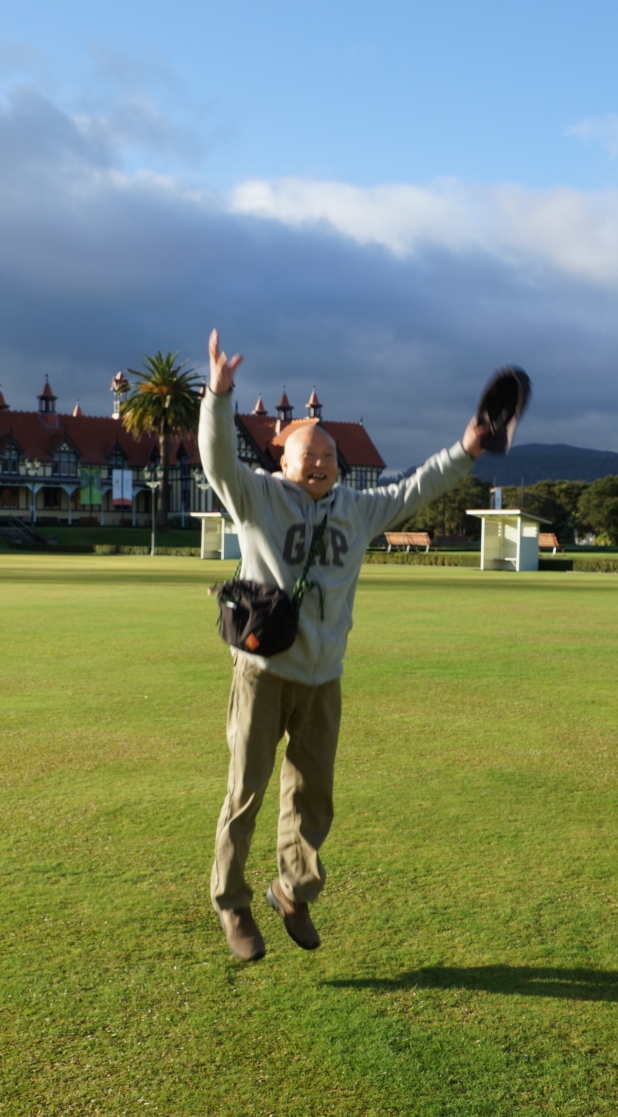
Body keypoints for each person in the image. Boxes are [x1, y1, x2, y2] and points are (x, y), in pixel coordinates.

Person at [199, 329, 488, 961]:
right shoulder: (256, 499)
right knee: (245, 790)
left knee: (313, 797)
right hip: (263, 671)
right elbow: (217, 461)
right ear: (285, 463)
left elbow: (417, 487)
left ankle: (292, 891)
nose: (323, 464)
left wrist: (467, 448)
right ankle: (232, 904)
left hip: (323, 677)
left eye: (330, 456)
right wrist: (218, 396)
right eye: (310, 456)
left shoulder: (356, 510)